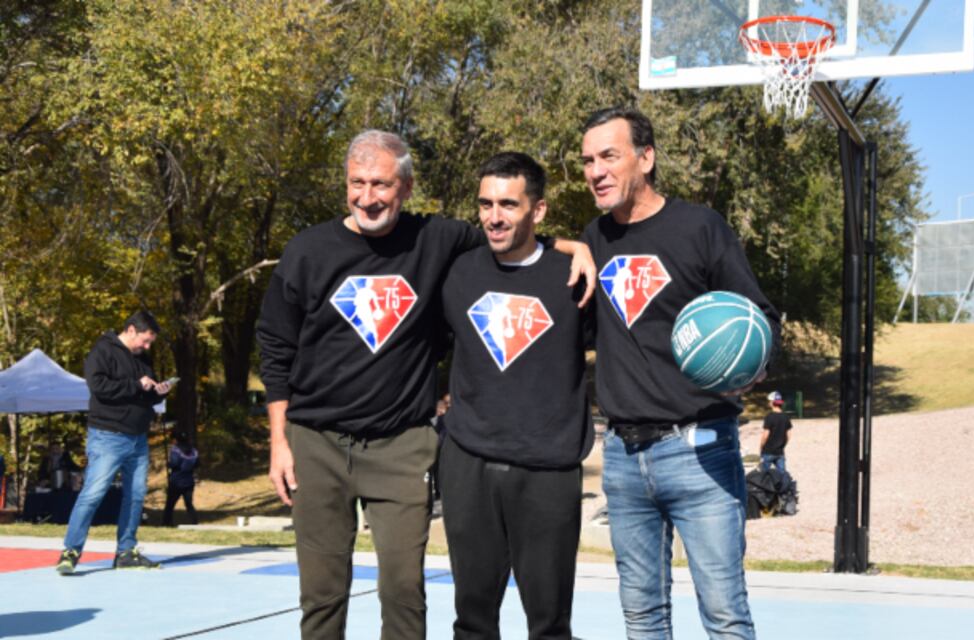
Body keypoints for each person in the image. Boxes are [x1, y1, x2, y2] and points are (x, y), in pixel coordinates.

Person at [256, 130, 595, 640]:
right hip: (315, 443)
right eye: (357, 183)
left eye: (381, 184)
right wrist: (278, 443)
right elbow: (275, 348)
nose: (367, 197)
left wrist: (575, 245)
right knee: (321, 597)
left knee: (404, 594)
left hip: (401, 445)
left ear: (407, 187)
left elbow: (511, 234)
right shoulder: (308, 250)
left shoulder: (436, 240)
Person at [579, 107, 781, 639]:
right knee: (642, 617)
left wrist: (750, 367)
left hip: (700, 449)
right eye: (587, 161)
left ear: (646, 158)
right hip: (622, 456)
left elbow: (761, 318)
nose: (595, 170)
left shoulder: (700, 227)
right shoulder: (593, 239)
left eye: (608, 156)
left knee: (724, 614)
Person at [438, 152, 594, 639]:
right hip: (468, 463)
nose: (494, 216)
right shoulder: (458, 272)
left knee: (549, 624)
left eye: (508, 203)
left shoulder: (575, 278)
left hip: (547, 470)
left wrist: (578, 247)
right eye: (485, 204)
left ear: (538, 210)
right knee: (472, 620)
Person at [55, 310, 172, 575]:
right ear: (131, 330)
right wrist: (135, 385)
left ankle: (126, 552)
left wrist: (157, 392)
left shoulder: (143, 358)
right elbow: (98, 387)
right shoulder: (102, 350)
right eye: (145, 340)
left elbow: (144, 393)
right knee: (93, 494)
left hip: (138, 438)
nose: (147, 346)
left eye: (150, 342)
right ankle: (70, 552)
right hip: (108, 436)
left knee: (135, 495)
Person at [162, 431, 200, 527]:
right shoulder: (194, 451)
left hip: (176, 481)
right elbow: (197, 464)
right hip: (189, 481)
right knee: (189, 504)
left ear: (176, 439)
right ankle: (194, 522)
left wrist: (168, 464)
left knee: (170, 505)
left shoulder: (175, 450)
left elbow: (174, 463)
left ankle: (167, 523)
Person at [760, 391, 792, 474]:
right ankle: (784, 486)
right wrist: (782, 445)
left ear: (771, 403)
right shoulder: (786, 417)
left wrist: (761, 447)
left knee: (764, 474)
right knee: (782, 473)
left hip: (768, 451)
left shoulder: (769, 417)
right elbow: (788, 435)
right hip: (780, 451)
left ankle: (764, 486)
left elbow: (765, 435)